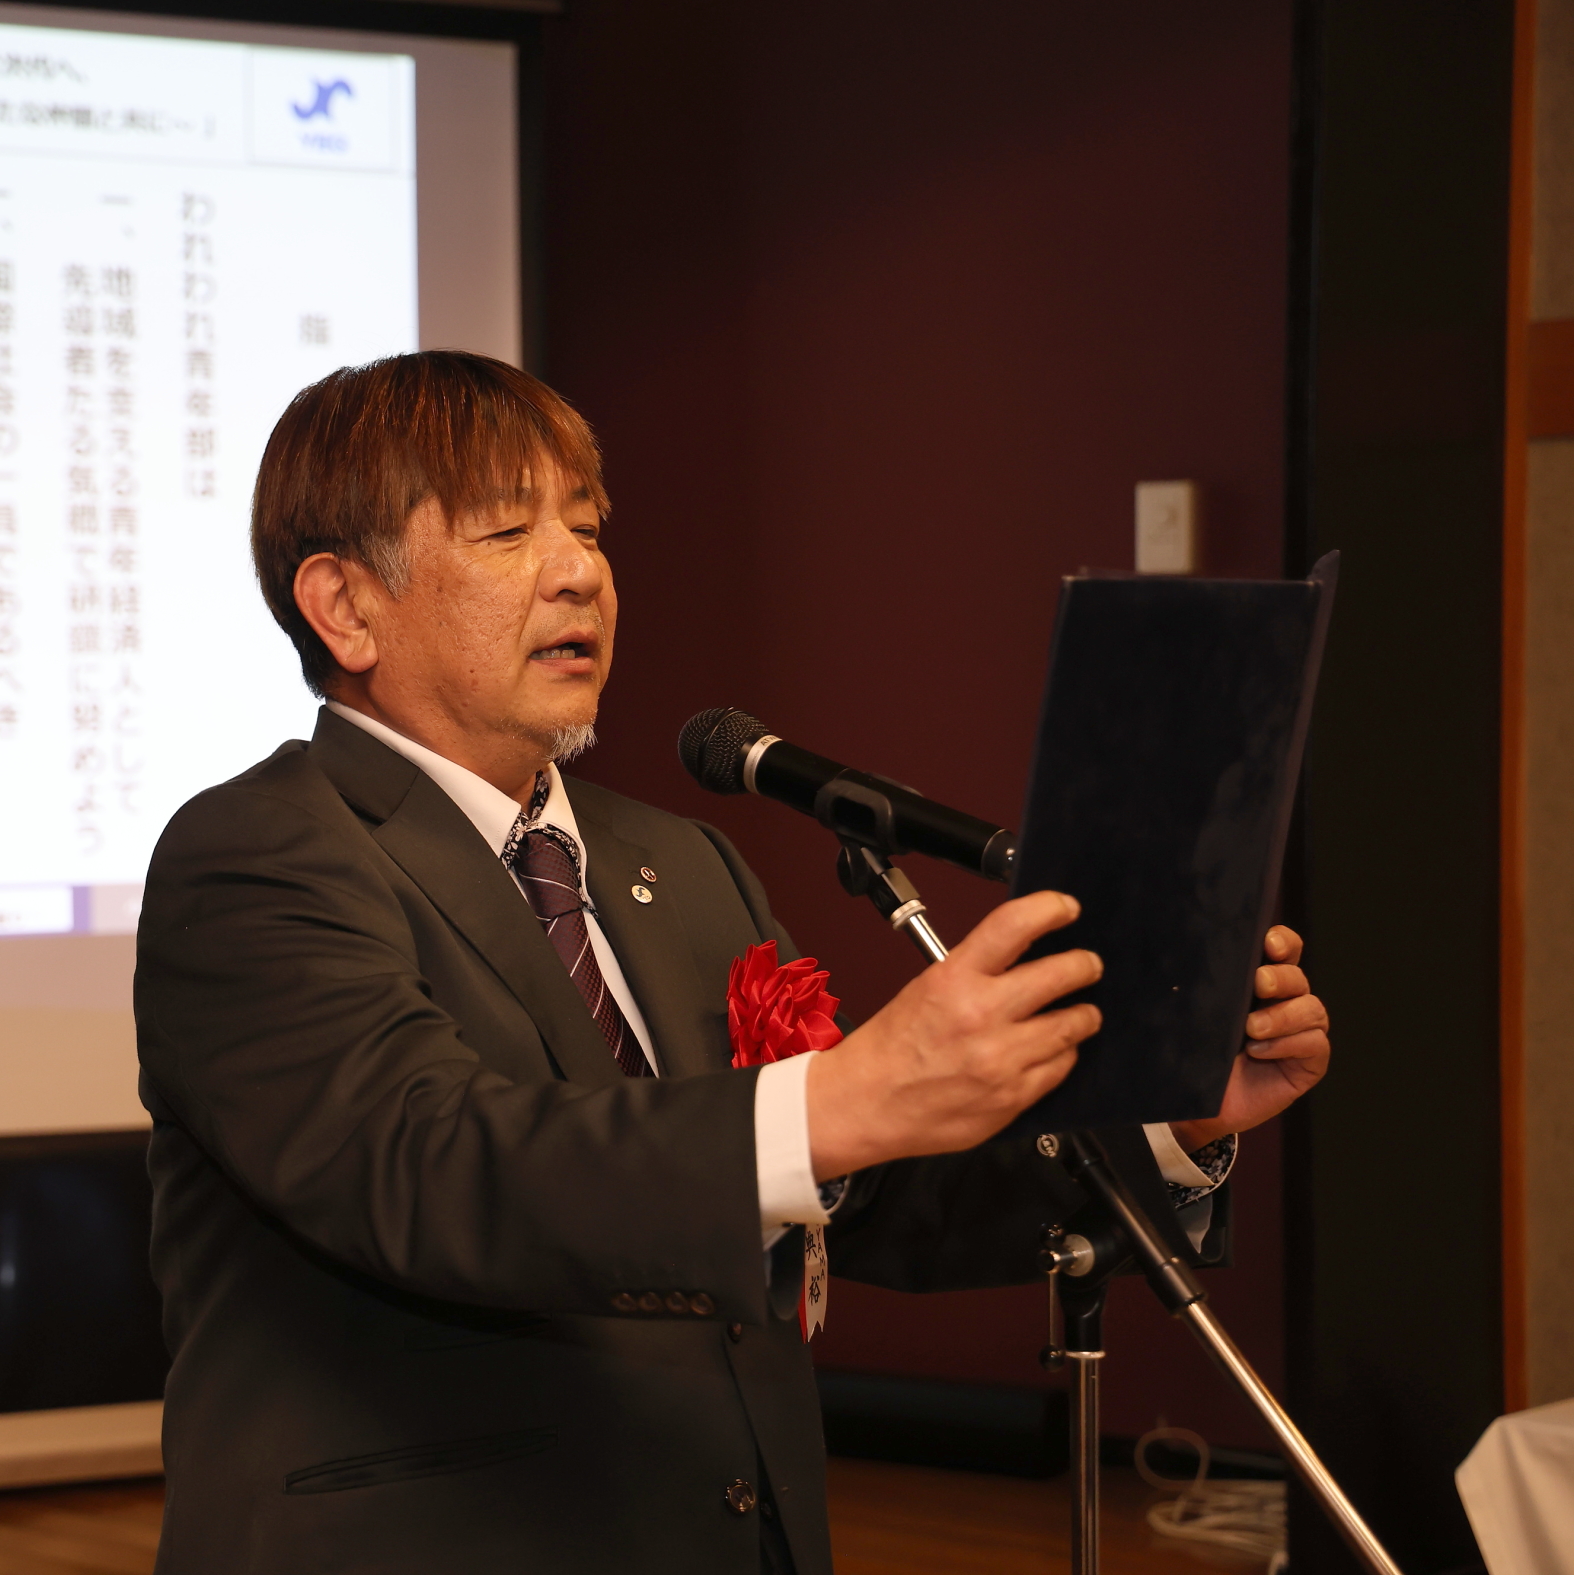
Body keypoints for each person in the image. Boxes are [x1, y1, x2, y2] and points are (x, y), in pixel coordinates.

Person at [133, 351, 1331, 1574]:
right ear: (343, 606)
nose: (579, 570)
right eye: (506, 531)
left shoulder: (679, 861)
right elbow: (432, 1168)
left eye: (587, 526)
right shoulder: (257, 854)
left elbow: (855, 1192)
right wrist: (842, 1098)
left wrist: (1167, 1111)